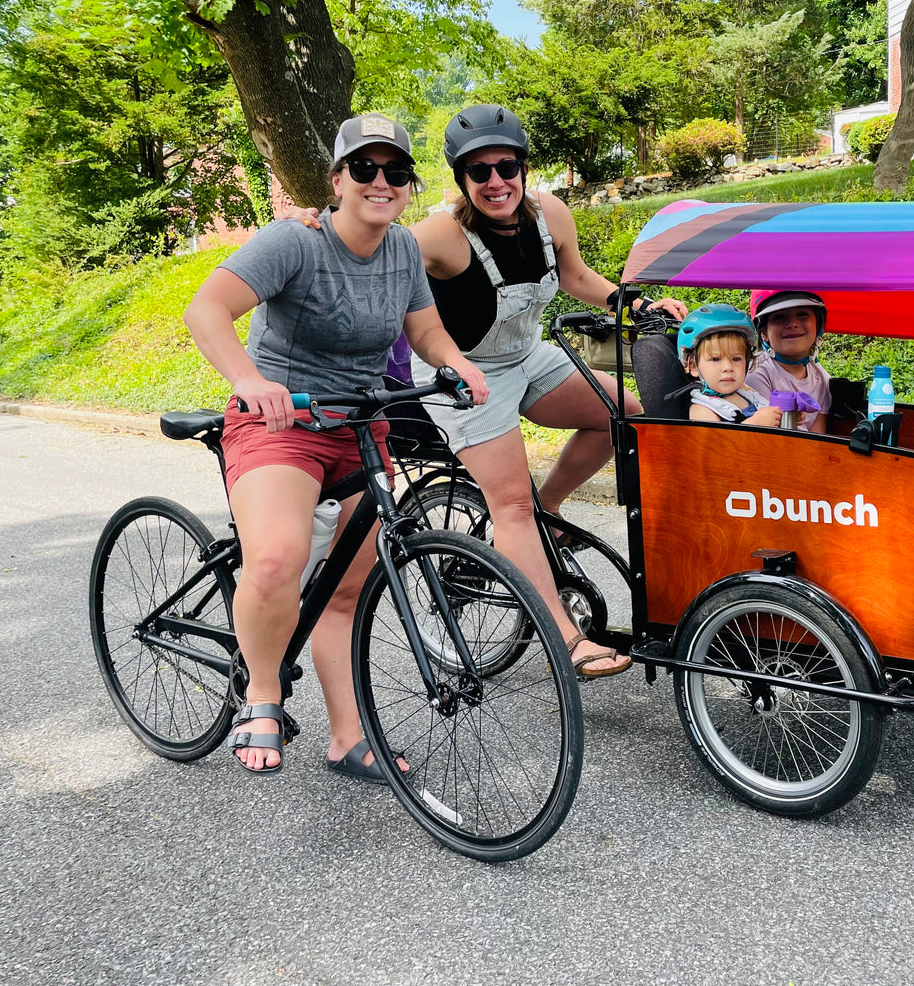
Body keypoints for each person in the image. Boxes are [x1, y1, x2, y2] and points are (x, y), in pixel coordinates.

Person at [183, 114, 489, 777]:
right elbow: (205, 309)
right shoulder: (295, 241)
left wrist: (455, 363)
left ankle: (347, 738)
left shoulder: (404, 250)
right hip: (280, 426)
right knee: (277, 560)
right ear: (337, 179)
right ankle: (261, 692)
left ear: (409, 185)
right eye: (365, 169)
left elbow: (427, 331)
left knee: (348, 587)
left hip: (360, 426)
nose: (381, 181)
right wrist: (250, 379)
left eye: (396, 171)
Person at [413, 105, 687, 678]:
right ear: (461, 179)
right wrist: (327, 227)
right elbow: (374, 259)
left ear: (524, 168)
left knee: (624, 415)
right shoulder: (441, 234)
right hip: (463, 375)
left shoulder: (550, 215)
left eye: (506, 166)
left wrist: (634, 304)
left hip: (526, 355)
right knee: (507, 504)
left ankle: (552, 508)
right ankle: (565, 638)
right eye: (478, 171)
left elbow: (574, 276)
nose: (495, 181)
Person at [679, 305, 783, 427]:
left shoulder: (746, 393)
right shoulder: (702, 410)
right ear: (693, 367)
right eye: (716, 359)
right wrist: (754, 424)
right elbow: (714, 445)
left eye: (736, 359)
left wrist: (782, 416)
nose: (728, 367)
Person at [745, 290, 832, 433]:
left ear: (818, 325)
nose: (793, 324)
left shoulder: (822, 378)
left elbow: (818, 438)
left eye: (802, 314)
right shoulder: (757, 371)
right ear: (764, 333)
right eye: (780, 317)